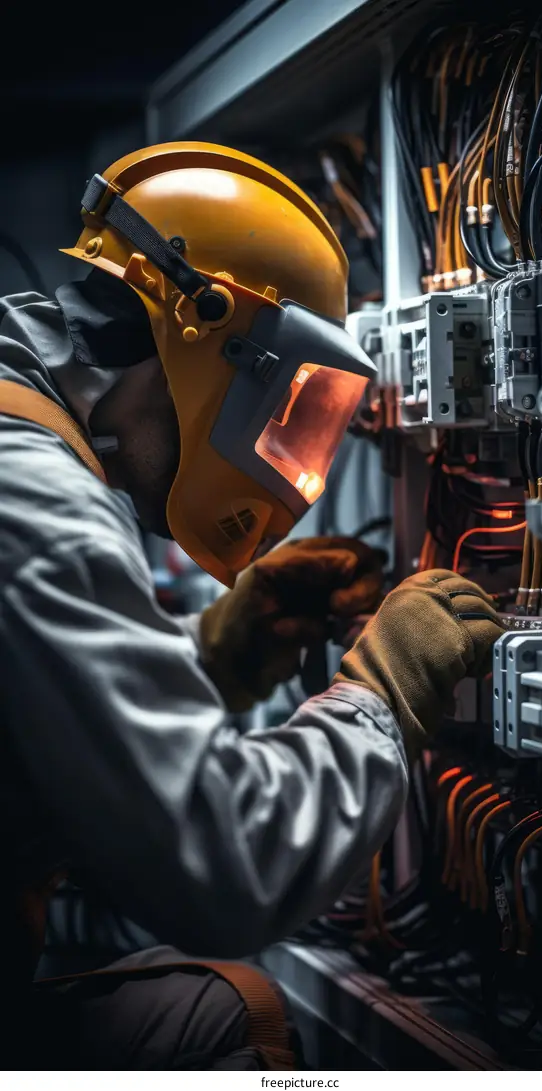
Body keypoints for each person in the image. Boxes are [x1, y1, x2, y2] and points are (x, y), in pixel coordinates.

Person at [0, 141, 504, 1070]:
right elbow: (223, 865)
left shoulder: (25, 427)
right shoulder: (38, 503)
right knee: (239, 1015)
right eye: (283, 408)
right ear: (202, 327)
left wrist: (217, 661)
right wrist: (382, 697)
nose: (287, 457)